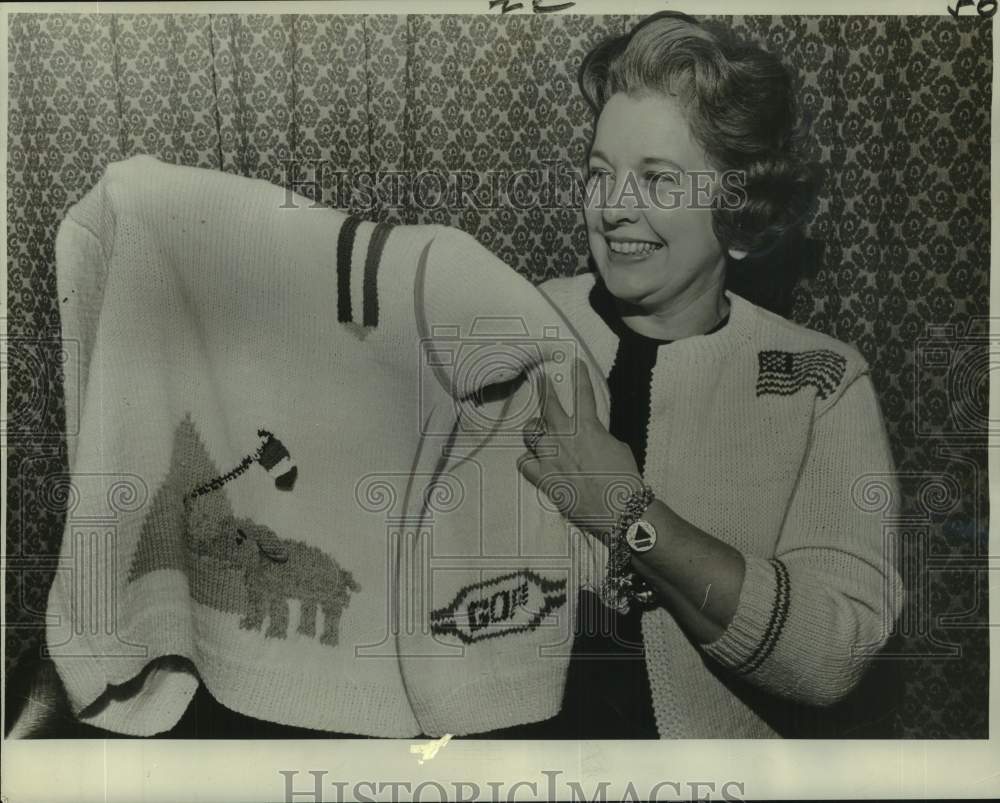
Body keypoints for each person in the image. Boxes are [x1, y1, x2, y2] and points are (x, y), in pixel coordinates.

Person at [483, 10, 904, 738]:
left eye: (658, 180)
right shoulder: (513, 327)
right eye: (600, 174)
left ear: (738, 211)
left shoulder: (818, 382)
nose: (614, 209)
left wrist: (626, 512)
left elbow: (832, 655)